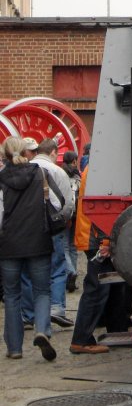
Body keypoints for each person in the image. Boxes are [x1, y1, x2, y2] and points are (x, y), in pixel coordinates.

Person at [0, 135, 65, 361]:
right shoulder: (40, 173)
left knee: (11, 295)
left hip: (9, 244)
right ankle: (42, 330)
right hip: (38, 240)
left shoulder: (1, 178)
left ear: (5, 154)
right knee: (42, 291)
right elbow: (58, 202)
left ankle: (15, 348)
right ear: (27, 152)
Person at [70, 164, 132, 354]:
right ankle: (81, 339)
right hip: (97, 240)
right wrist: (105, 240)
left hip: (95, 238)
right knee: (97, 290)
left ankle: (116, 332)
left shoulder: (95, 166)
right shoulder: (100, 168)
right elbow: (101, 206)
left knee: (113, 287)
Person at [23, 138, 75, 327]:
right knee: (57, 269)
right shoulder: (58, 171)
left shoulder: (26, 169)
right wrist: (63, 220)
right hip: (52, 227)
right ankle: (57, 308)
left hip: (28, 228)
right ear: (53, 152)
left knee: (28, 272)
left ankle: (28, 314)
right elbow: (67, 203)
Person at [61, 151, 82, 291]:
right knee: (73, 247)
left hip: (66, 214)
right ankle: (72, 276)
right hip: (77, 214)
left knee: (64, 247)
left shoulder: (61, 174)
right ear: (74, 161)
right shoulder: (78, 176)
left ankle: (70, 272)